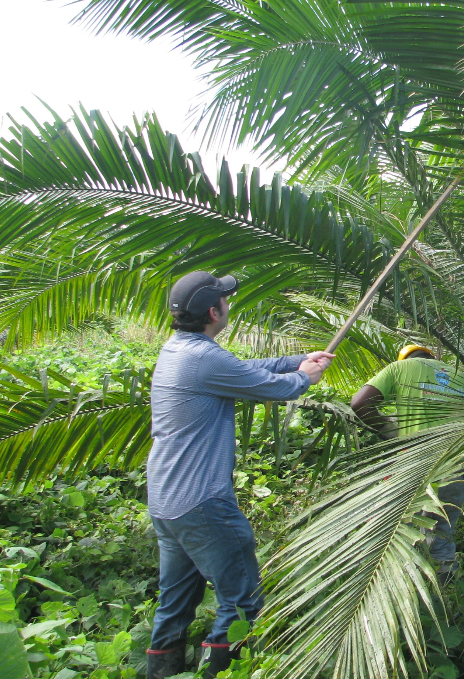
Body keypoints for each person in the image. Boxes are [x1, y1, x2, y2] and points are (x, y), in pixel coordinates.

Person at [146, 271, 334, 679]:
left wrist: (295, 361)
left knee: (174, 602)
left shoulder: (179, 349)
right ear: (214, 311)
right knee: (242, 599)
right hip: (201, 503)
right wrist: (303, 378)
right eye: (226, 301)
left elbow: (240, 368)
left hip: (165, 501)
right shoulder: (204, 358)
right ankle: (222, 672)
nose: (228, 306)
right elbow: (270, 386)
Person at [350, 345, 464, 582]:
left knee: (403, 530)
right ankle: (446, 582)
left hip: (417, 465)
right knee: (443, 529)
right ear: (431, 357)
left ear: (405, 359)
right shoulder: (458, 375)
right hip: (455, 467)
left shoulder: (399, 368)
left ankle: (406, 584)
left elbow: (359, 404)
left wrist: (393, 431)